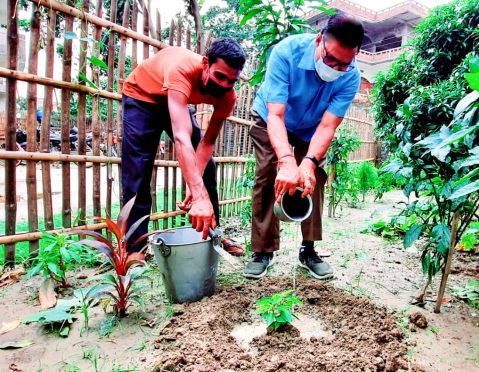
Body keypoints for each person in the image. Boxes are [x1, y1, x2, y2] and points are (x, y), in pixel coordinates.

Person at [243, 14, 364, 279]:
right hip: (271, 118)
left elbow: (328, 126)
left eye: (344, 63)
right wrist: (286, 160)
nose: (336, 67)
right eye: (331, 59)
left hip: (312, 127)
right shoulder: (287, 52)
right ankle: (263, 251)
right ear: (319, 40)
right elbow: (276, 115)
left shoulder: (351, 76)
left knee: (314, 178)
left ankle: (308, 250)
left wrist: (307, 163)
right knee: (268, 174)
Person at [121, 38, 246, 255]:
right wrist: (198, 195)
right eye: (220, 76)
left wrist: (194, 182)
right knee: (137, 172)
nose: (224, 85)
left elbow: (207, 142)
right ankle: (134, 249)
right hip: (142, 96)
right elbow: (181, 137)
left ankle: (212, 233)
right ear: (205, 64)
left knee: (208, 168)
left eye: (231, 81)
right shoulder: (182, 71)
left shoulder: (228, 96)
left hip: (176, 98)